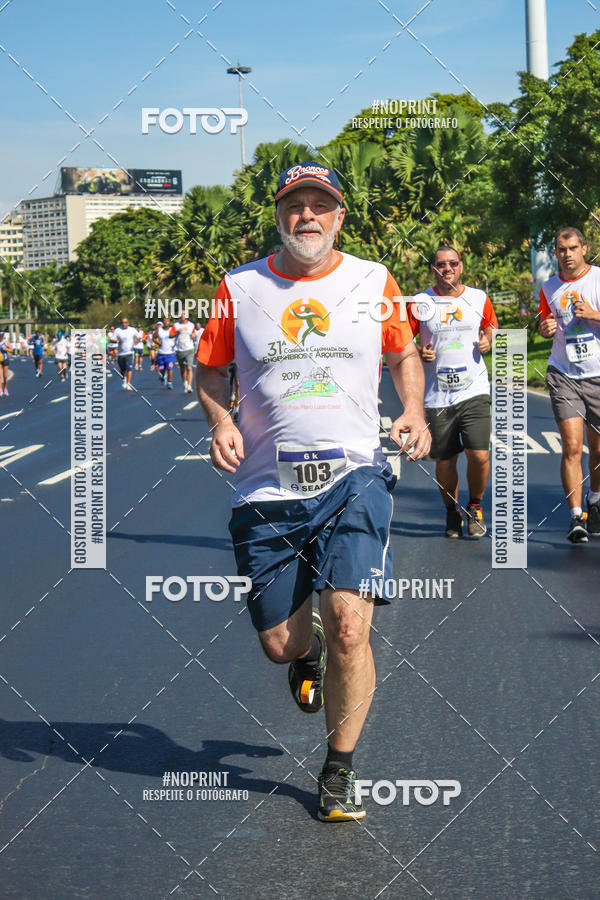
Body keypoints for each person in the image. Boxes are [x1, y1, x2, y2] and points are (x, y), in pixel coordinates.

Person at [196, 161, 430, 822]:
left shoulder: (372, 280)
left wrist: (411, 410)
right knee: (282, 643)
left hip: (354, 475)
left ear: (339, 217)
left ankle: (338, 769)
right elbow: (210, 372)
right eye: (295, 206)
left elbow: (404, 353)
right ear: (279, 216)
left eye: (319, 206)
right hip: (267, 489)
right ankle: (307, 657)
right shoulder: (238, 288)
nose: (307, 217)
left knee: (351, 627)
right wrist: (219, 421)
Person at [409, 246, 498, 538]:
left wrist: (487, 341)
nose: (447, 269)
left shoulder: (478, 298)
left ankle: (475, 506)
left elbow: (490, 327)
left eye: (453, 263)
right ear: (433, 268)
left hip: (474, 389)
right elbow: (403, 342)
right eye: (441, 265)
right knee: (445, 461)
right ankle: (451, 511)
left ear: (461, 266)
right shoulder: (421, 302)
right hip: (437, 395)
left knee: (479, 455)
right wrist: (419, 351)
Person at [538, 226, 600, 542]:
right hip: (563, 374)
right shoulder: (549, 287)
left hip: (598, 375)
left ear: (583, 248)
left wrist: (594, 314)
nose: (567, 254)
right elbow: (544, 320)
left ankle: (595, 497)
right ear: (556, 252)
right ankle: (577, 517)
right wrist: (544, 327)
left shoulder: (597, 279)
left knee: (599, 447)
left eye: (572, 248)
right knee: (572, 446)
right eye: (561, 250)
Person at [108, 317, 141, 390]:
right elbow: (111, 340)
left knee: (129, 368)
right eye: (122, 322)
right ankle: (124, 379)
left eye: (125, 322)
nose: (124, 324)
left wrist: (135, 342)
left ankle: (128, 383)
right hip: (120, 354)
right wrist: (117, 341)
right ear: (121, 323)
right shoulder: (117, 330)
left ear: (128, 323)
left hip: (130, 352)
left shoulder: (132, 330)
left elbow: (139, 337)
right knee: (122, 370)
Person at [171, 312, 196, 393]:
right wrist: (177, 332)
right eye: (181, 314)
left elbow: (193, 335)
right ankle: (185, 383)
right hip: (179, 349)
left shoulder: (191, 325)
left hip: (189, 348)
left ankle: (189, 386)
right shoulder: (176, 325)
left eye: (184, 314)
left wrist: (193, 336)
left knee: (189, 367)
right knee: (182, 369)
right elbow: (170, 335)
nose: (182, 315)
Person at [153, 317, 176, 389]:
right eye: (164, 321)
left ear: (169, 322)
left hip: (170, 353)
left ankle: (169, 382)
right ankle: (163, 375)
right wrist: (158, 342)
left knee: (170, 368)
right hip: (161, 353)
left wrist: (175, 343)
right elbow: (153, 338)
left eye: (167, 321)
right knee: (162, 369)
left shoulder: (172, 329)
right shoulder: (159, 330)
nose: (166, 322)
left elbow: (177, 337)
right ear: (163, 322)